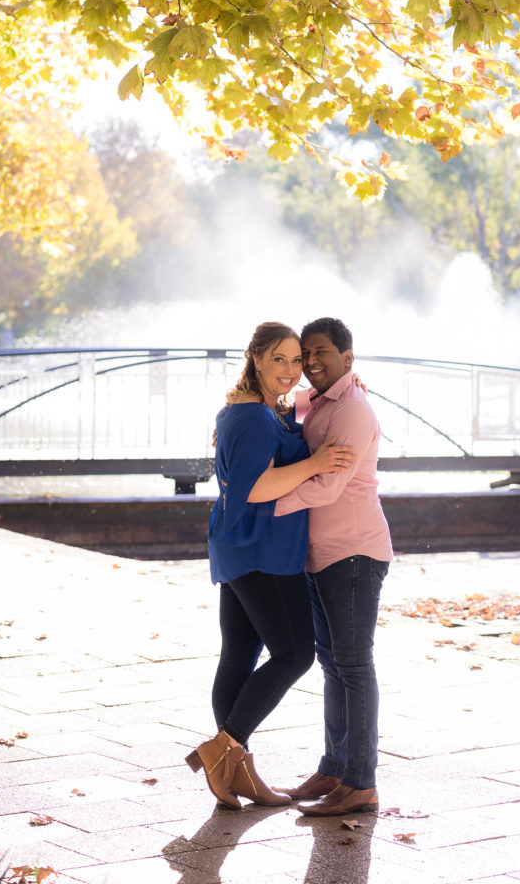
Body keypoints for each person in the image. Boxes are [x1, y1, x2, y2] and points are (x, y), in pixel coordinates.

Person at [185, 322, 354, 810]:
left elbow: (282, 433)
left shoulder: (252, 411)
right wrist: (317, 462)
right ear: (255, 358)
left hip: (237, 544)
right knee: (295, 653)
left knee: (238, 654)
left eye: (297, 360)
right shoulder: (255, 418)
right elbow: (255, 488)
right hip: (261, 549)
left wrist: (348, 385)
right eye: (279, 359)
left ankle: (235, 772)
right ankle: (225, 749)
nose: (290, 370)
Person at [274, 317, 393, 816]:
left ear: (348, 356)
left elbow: (327, 487)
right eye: (307, 354)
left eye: (322, 352)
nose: (312, 362)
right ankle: (334, 766)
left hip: (354, 552)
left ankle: (360, 783)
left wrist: (263, 502)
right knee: (333, 664)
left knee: (353, 664)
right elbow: (286, 406)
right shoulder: (320, 401)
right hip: (321, 555)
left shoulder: (354, 412)